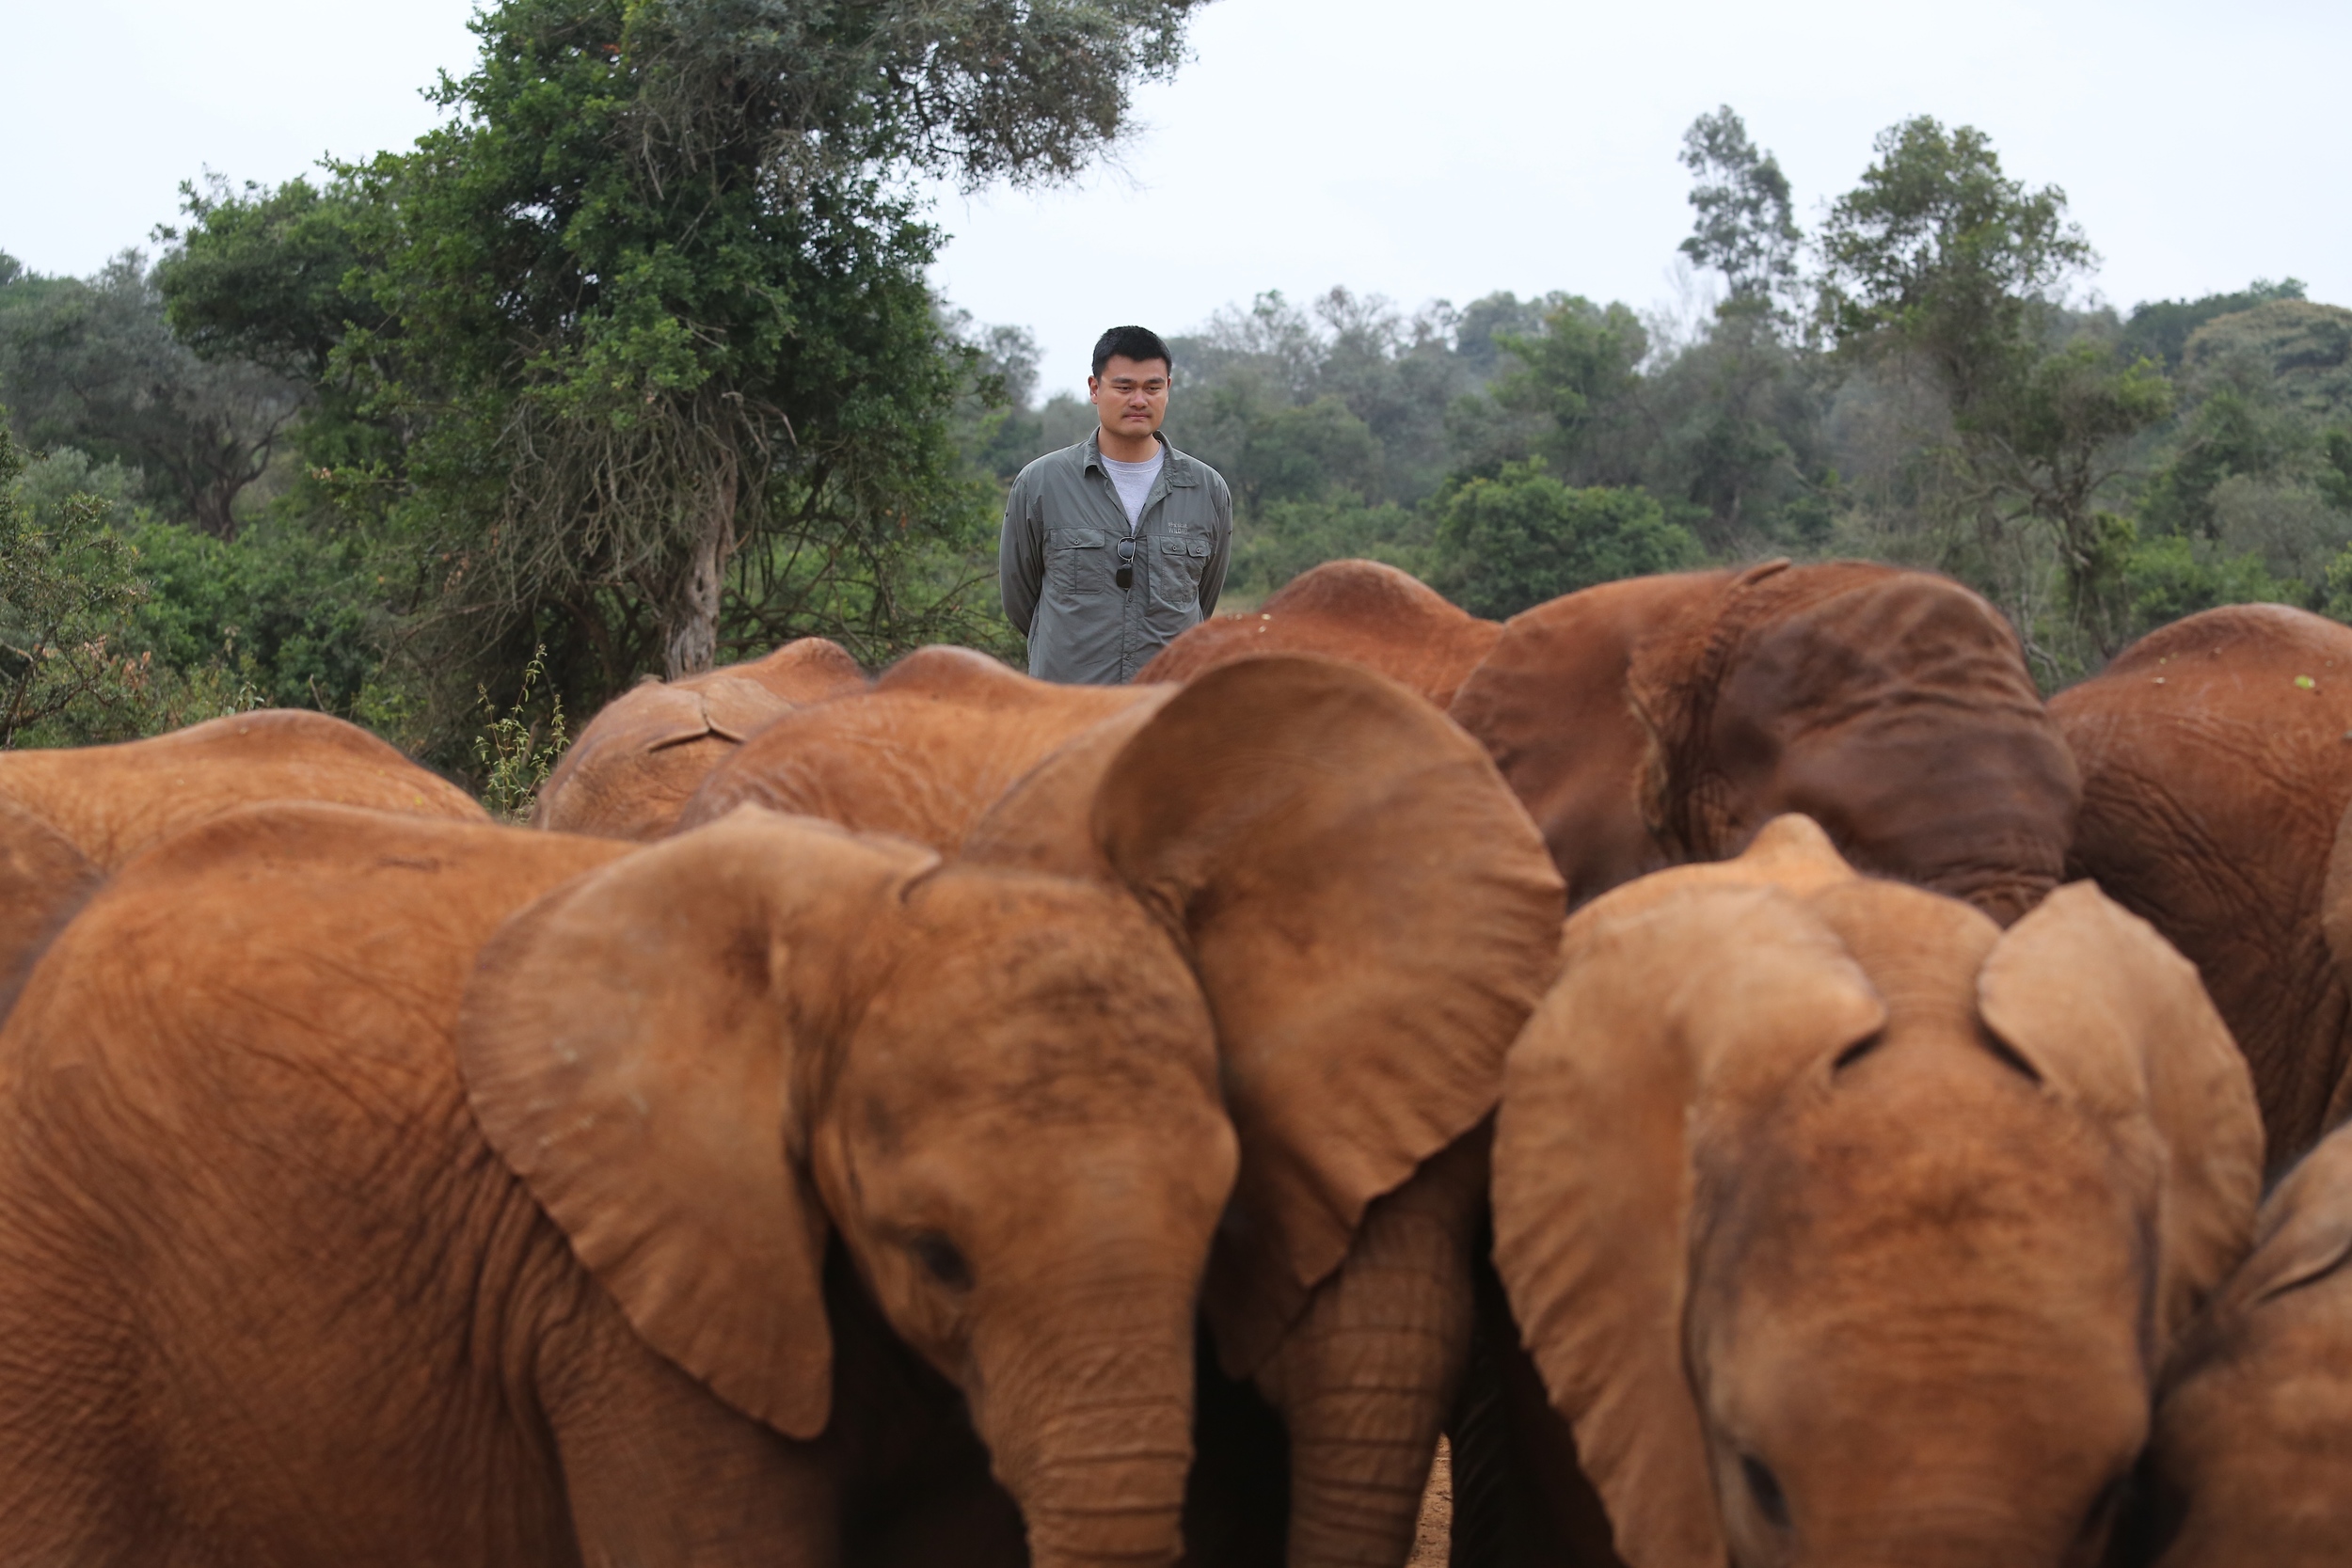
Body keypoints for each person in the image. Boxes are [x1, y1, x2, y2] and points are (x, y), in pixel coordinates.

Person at [999, 325, 1232, 684]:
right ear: (1095, 389)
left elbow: (1203, 599)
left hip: (1164, 708)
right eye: (1124, 387)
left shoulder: (1207, 489)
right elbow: (1021, 601)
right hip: (1067, 705)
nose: (1139, 400)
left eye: (1152, 388)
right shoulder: (1041, 483)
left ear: (1167, 389)